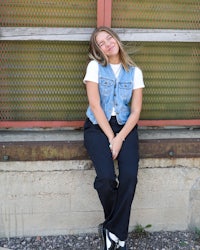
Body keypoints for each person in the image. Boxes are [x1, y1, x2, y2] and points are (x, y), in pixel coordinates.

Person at [83, 26, 145, 250]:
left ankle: (113, 231)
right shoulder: (95, 68)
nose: (107, 43)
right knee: (106, 179)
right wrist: (112, 137)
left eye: (109, 38)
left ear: (116, 39)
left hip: (126, 127)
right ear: (98, 50)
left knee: (129, 177)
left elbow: (136, 111)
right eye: (101, 43)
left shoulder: (135, 72)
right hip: (97, 127)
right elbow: (95, 105)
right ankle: (117, 231)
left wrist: (120, 138)